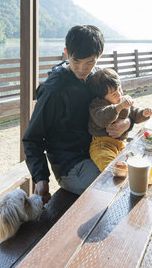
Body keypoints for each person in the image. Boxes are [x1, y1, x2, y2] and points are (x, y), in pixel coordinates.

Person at [22, 25, 132, 202]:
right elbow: (31, 139)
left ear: (100, 55)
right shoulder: (54, 91)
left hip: (102, 148)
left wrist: (128, 124)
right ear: (66, 52)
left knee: (139, 174)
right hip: (72, 164)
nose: (82, 69)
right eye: (76, 61)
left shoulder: (98, 78)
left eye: (90, 62)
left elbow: (121, 104)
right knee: (116, 190)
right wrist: (41, 178)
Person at [87, 68, 152, 171]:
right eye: (114, 94)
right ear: (102, 97)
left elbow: (134, 113)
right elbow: (102, 118)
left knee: (133, 163)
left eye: (119, 89)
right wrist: (119, 107)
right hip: (102, 145)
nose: (119, 94)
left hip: (122, 144)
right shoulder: (97, 105)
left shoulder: (122, 100)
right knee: (111, 169)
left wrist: (143, 113)